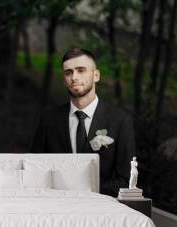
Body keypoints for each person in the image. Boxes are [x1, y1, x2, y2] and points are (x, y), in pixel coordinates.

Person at [30, 48, 135, 196]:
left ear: (96, 75)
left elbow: (126, 179)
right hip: (57, 207)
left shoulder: (120, 121)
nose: (74, 77)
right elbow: (34, 170)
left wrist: (85, 193)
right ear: (64, 80)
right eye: (68, 72)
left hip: (101, 209)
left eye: (81, 70)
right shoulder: (49, 120)